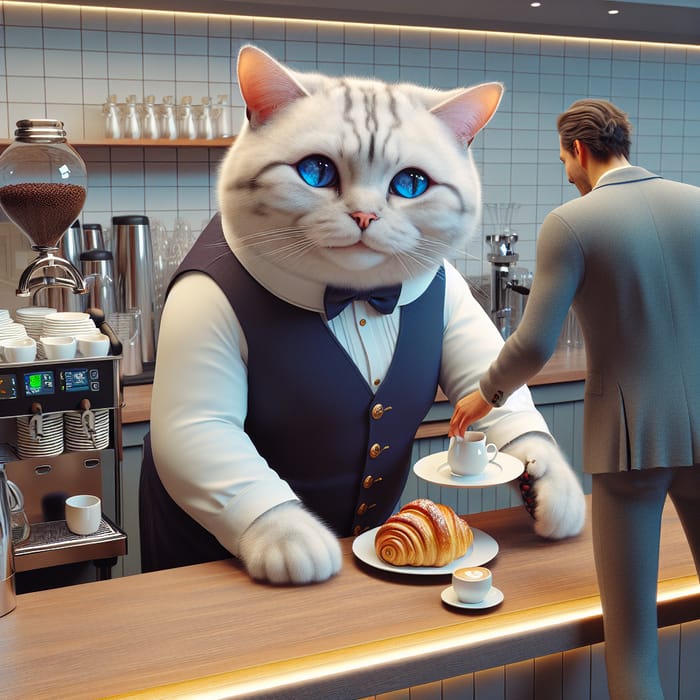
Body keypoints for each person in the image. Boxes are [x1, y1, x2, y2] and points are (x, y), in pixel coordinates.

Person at [449, 99, 700, 700]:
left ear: (579, 150)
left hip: (631, 440)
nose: (565, 170)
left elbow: (533, 343)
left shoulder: (572, 222)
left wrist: (485, 395)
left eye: (563, 158)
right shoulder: (696, 203)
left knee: (632, 644)